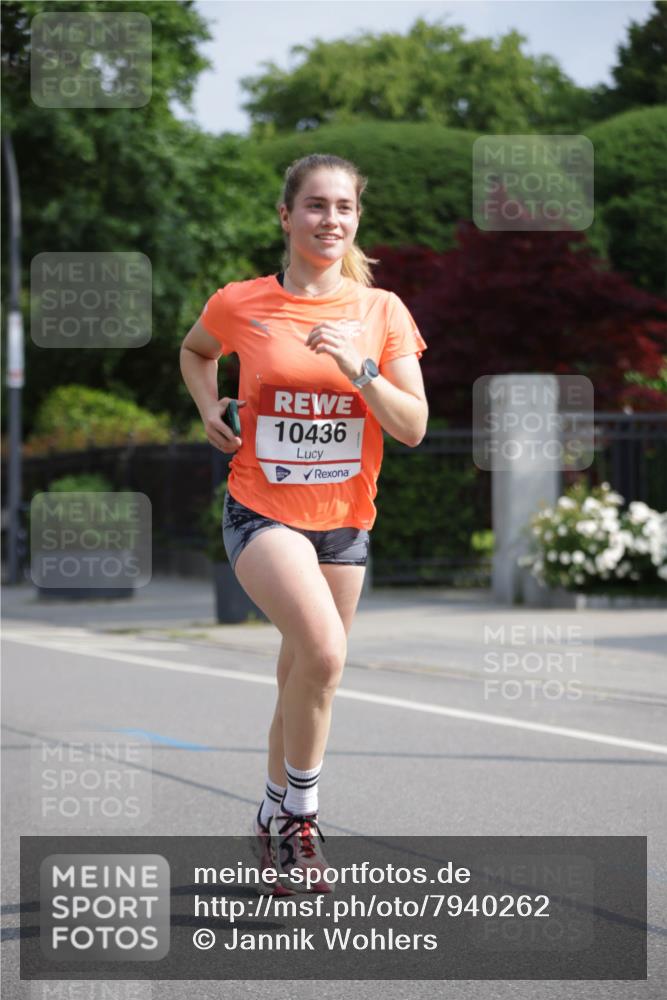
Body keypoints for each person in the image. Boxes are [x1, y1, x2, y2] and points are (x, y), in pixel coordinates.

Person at [180, 153, 428, 894]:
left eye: (344, 207)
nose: (331, 220)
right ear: (286, 217)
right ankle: (301, 818)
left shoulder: (381, 312)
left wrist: (361, 368)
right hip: (261, 508)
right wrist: (207, 406)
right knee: (322, 652)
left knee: (301, 674)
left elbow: (412, 427)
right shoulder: (241, 302)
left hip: (345, 522)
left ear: (357, 218)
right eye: (315, 206)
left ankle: (266, 811)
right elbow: (196, 353)